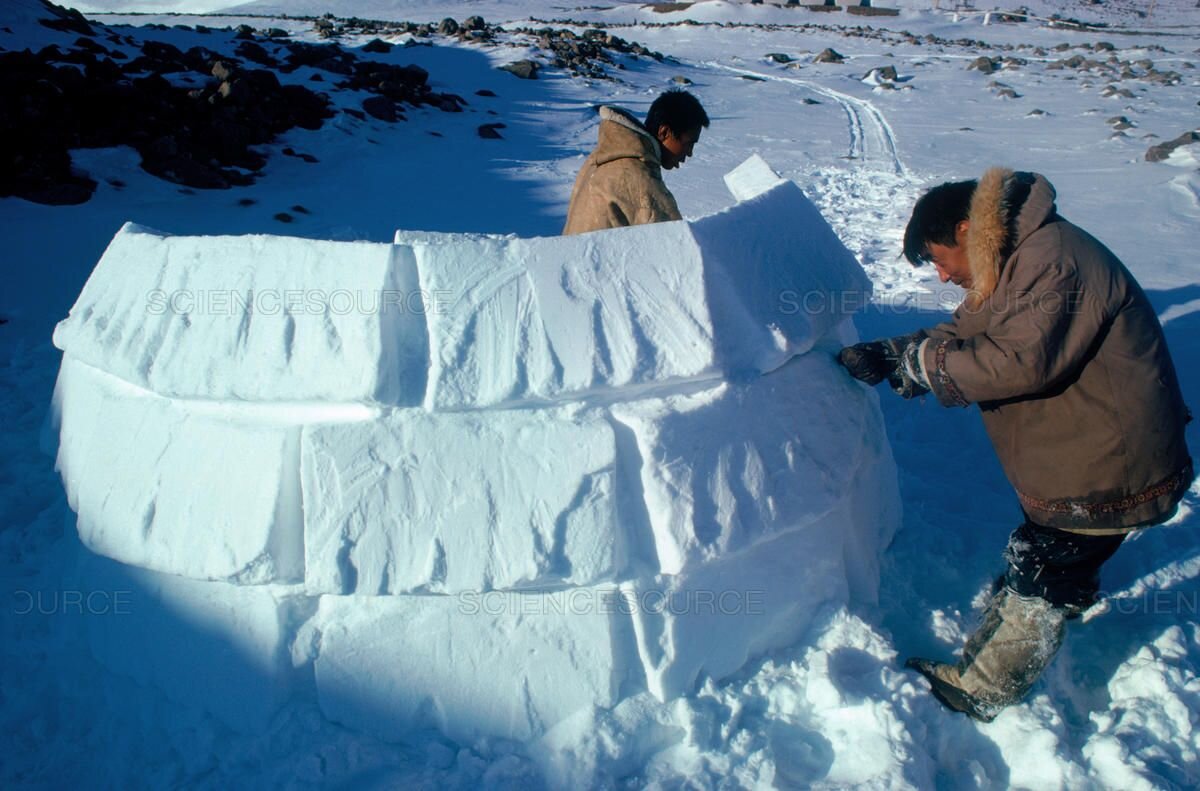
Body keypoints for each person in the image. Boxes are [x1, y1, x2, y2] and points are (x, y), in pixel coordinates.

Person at [839, 167, 1193, 722]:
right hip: (1095, 449)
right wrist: (899, 351)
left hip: (1110, 462)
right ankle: (1059, 599)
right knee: (1055, 555)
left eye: (938, 259)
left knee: (1045, 570)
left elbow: (1016, 361)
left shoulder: (1052, 261)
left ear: (964, 230)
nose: (941, 276)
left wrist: (921, 365)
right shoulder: (1017, 259)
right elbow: (972, 332)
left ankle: (985, 687)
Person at [563, 89, 708, 235]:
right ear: (664, 132)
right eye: (688, 143)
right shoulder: (640, 180)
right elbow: (677, 243)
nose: (689, 153)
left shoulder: (596, 161)